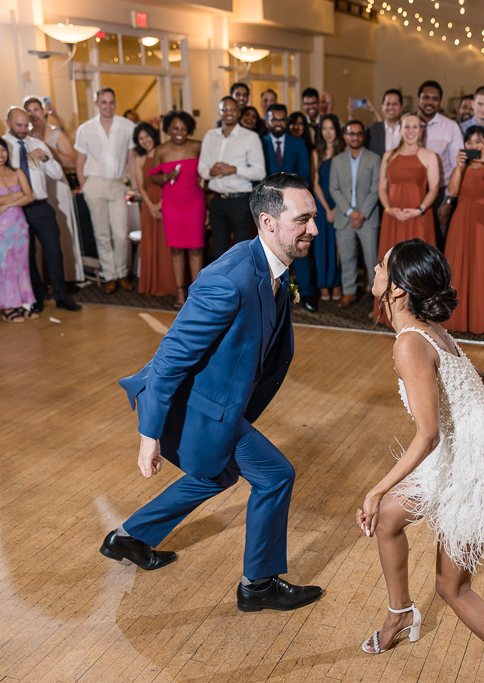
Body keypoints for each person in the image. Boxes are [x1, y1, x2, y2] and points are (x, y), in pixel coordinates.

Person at [103, 173, 324, 615]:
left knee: (215, 475)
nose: (313, 229)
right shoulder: (229, 280)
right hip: (199, 407)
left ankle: (129, 538)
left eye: (313, 218)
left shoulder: (272, 262)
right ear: (268, 222)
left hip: (221, 401)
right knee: (275, 475)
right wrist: (150, 437)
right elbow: (170, 358)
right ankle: (258, 585)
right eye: (303, 220)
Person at [356, 238, 484, 683]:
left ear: (397, 290)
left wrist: (375, 489)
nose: (375, 267)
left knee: (452, 588)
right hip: (471, 446)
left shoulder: (409, 343)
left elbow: (428, 435)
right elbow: (479, 377)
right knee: (390, 520)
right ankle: (400, 615)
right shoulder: (431, 330)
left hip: (473, 463)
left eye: (383, 265)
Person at [0, 108, 80, 312]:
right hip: (17, 208)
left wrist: (46, 159)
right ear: (8, 123)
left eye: (27, 125)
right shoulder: (1, 148)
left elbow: (58, 174)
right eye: (19, 125)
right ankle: (36, 296)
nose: (24, 130)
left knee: (53, 250)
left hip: (41, 205)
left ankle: (60, 295)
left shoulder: (38, 144)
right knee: (27, 254)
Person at [443, 127, 484, 334]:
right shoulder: (460, 169)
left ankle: (482, 320)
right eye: (470, 142)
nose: (475, 146)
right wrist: (459, 166)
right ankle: (459, 319)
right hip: (461, 222)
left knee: (483, 268)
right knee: (458, 269)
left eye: (479, 141)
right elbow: (452, 191)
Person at [75, 87, 136, 293]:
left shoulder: (127, 126)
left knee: (121, 234)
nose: (108, 106)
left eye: (111, 102)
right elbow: (80, 161)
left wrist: (134, 187)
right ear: (96, 104)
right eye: (104, 102)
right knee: (102, 234)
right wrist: (85, 187)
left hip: (118, 184)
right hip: (94, 184)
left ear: (115, 103)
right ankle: (110, 276)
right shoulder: (85, 129)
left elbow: (131, 159)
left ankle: (122, 273)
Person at [23, 97, 85, 284]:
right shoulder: (25, 138)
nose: (33, 114)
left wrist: (47, 150)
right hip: (37, 189)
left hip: (57, 186)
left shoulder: (56, 134)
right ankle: (46, 279)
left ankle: (67, 276)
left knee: (62, 232)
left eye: (36, 109)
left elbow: (72, 161)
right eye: (29, 111)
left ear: (43, 112)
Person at [0, 136, 37, 322]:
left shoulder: (17, 172)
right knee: (3, 267)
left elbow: (30, 197)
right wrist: (17, 195)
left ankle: (25, 303)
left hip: (18, 226)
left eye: (2, 149)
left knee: (21, 265)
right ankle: (9, 306)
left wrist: (7, 204)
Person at [198, 96, 265, 262]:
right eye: (224, 109)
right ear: (219, 112)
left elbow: (259, 172)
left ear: (238, 113)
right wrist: (211, 171)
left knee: (242, 249)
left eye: (232, 110)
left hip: (240, 201)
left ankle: (242, 287)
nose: (228, 113)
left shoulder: (250, 137)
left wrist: (233, 170)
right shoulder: (210, 136)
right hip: (217, 200)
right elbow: (202, 168)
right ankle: (222, 287)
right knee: (218, 250)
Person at [150, 110, 204, 309]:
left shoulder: (198, 146)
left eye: (183, 128)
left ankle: (196, 293)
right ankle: (180, 293)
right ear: (168, 130)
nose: (179, 132)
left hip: (195, 203)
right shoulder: (161, 150)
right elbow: (152, 176)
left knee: (197, 248)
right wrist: (166, 176)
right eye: (175, 128)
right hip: (172, 205)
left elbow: (207, 167)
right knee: (176, 249)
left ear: (189, 129)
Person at [263, 104, 313, 308]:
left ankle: (307, 294)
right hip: (269, 207)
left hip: (295, 207)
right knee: (272, 251)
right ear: (267, 121)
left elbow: (305, 175)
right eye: (273, 119)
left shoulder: (298, 143)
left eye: (282, 119)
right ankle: (273, 296)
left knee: (298, 247)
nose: (278, 123)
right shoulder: (260, 142)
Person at [330, 120, 381, 308]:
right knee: (347, 258)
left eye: (359, 133)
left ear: (364, 136)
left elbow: (376, 189)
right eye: (351, 133)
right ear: (345, 136)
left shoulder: (374, 159)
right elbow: (334, 189)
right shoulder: (337, 160)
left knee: (372, 260)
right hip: (344, 218)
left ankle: (378, 298)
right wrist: (351, 213)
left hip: (368, 218)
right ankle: (349, 292)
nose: (355, 137)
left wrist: (362, 215)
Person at [379, 113, 441, 256]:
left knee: (418, 261)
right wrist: (388, 209)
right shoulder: (388, 156)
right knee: (392, 260)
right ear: (400, 130)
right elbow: (382, 187)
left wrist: (419, 210)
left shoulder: (430, 156)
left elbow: (434, 189)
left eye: (415, 127)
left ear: (421, 131)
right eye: (407, 126)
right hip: (393, 216)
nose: (410, 131)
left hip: (419, 217)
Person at [132, 122, 175, 300]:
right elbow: (140, 187)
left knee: (168, 245)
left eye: (147, 136)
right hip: (148, 205)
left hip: (169, 200)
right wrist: (150, 205)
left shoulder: (164, 153)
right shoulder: (139, 159)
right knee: (151, 243)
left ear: (153, 135)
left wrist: (161, 204)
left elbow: (172, 181)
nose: (145, 141)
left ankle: (170, 285)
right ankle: (152, 285)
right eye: (141, 138)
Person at [415, 81, 463, 237]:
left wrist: (449, 201)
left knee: (438, 241)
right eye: (426, 97)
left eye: (435, 99)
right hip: (413, 192)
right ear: (419, 98)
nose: (430, 102)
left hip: (441, 194)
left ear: (440, 101)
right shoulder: (408, 124)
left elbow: (459, 165)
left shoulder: (451, 127)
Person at [311, 113, 343, 301]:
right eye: (324, 128)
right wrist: (327, 208)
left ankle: (337, 282)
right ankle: (323, 284)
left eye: (331, 128)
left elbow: (347, 183)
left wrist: (338, 208)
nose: (328, 132)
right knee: (322, 245)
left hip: (341, 204)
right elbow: (315, 183)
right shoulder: (317, 153)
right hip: (322, 205)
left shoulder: (343, 151)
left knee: (339, 246)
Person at [367, 89, 403, 157]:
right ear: (382, 106)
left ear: (401, 107)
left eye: (395, 104)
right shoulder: (371, 130)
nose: (391, 107)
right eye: (388, 104)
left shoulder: (408, 130)